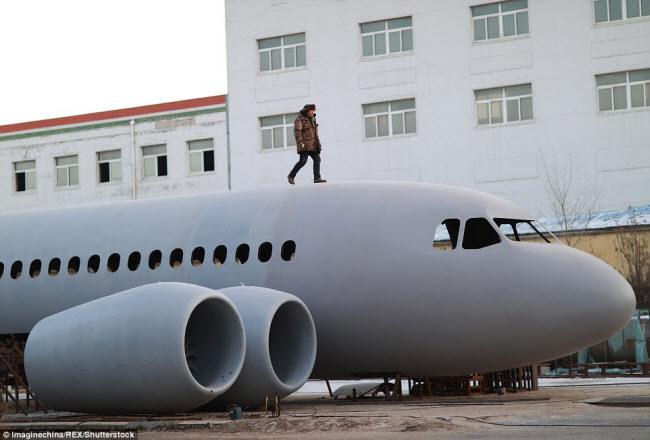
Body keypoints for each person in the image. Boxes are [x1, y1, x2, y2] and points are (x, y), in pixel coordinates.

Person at [288, 104, 327, 184]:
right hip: (304, 145)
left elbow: (315, 134)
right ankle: (291, 176)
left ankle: (317, 178)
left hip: (313, 145)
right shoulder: (300, 119)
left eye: (313, 110)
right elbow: (297, 132)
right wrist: (300, 143)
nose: (313, 112)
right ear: (306, 111)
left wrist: (318, 143)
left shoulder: (313, 120)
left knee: (317, 160)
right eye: (311, 110)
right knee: (303, 161)